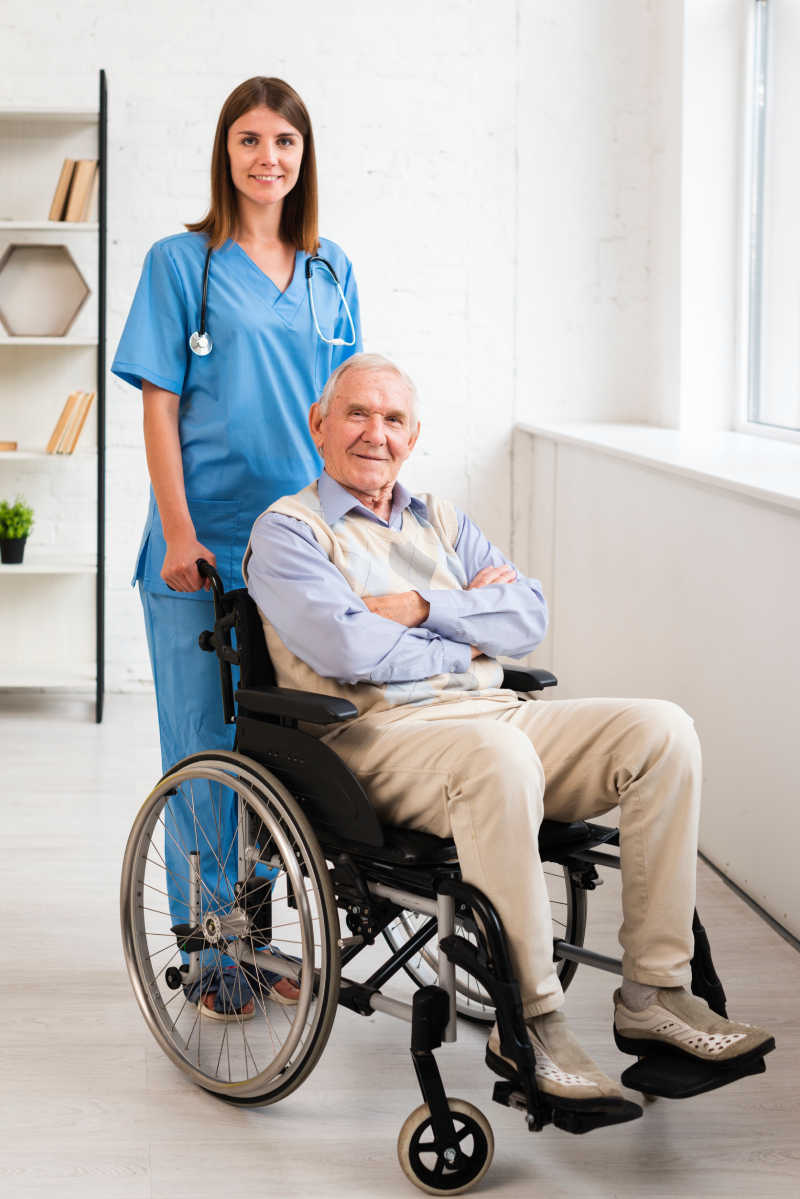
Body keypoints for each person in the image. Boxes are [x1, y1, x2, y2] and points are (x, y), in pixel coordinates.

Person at [243, 351, 774, 1107]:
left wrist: (423, 609)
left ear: (413, 436)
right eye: (356, 413)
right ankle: (532, 1021)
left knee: (662, 730)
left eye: (393, 418)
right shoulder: (289, 532)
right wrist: (471, 636)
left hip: (495, 719)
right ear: (318, 424)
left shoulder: (441, 520)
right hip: (376, 738)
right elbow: (346, 649)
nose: (375, 433)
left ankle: (656, 994)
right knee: (497, 755)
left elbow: (528, 618)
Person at [112, 77, 362, 1013]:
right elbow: (160, 406)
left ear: (304, 155)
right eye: (250, 139)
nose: (268, 158)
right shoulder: (183, 264)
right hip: (205, 549)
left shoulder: (331, 269)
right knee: (207, 749)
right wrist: (177, 530)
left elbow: (347, 411)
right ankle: (212, 952)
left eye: (284, 141)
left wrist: (354, 530)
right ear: (226, 152)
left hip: (298, 549)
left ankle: (255, 940)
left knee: (279, 754)